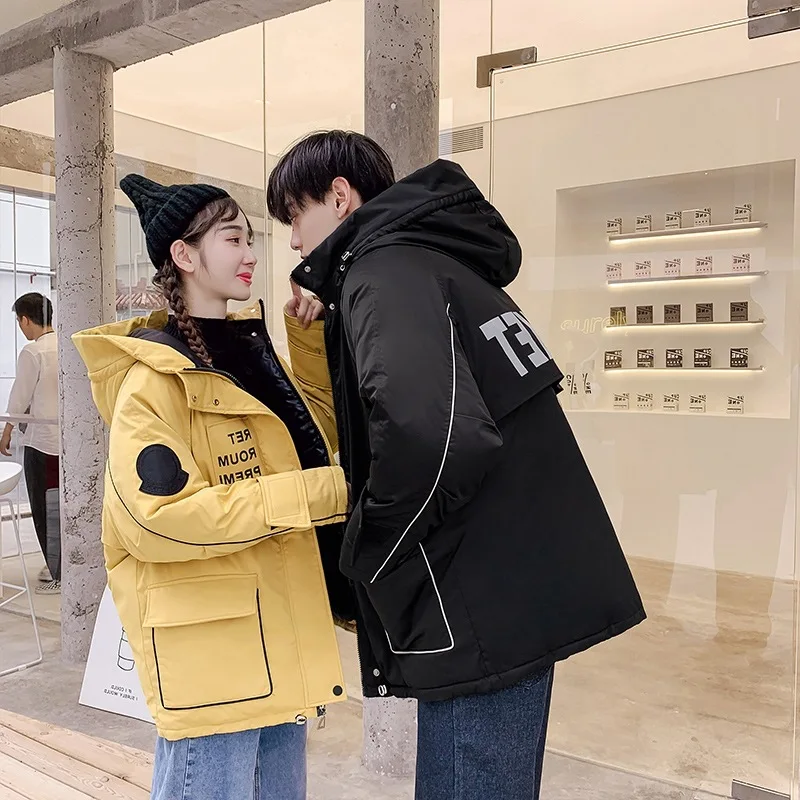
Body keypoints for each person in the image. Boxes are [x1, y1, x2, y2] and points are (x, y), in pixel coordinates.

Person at [267, 131, 647, 800]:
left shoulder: (384, 273)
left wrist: (369, 550)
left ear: (339, 195)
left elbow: (435, 439)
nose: (294, 241)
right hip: (510, 583)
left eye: (295, 216)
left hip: (476, 597)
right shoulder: (436, 263)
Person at [73, 175, 355, 800]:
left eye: (250, 239)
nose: (251, 253)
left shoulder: (246, 350)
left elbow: (314, 437)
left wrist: (308, 342)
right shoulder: (154, 379)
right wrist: (324, 493)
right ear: (184, 254)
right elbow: (159, 518)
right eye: (233, 239)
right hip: (213, 653)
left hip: (276, 630)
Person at [1, 293, 61, 595]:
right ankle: (62, 566)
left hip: (42, 444)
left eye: (19, 321)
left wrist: (7, 431)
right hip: (68, 445)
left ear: (26, 320)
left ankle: (58, 573)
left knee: (43, 509)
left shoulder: (33, 352)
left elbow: (19, 397)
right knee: (62, 507)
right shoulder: (68, 344)